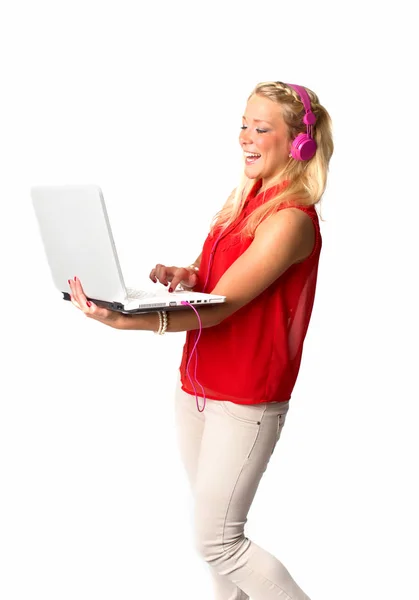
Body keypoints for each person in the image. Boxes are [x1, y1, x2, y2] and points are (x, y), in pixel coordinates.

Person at [68, 81, 333, 600]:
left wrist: (128, 322)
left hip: (245, 398)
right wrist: (188, 273)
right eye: (243, 125)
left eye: (262, 128)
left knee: (219, 542)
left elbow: (224, 308)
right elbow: (219, 282)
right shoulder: (244, 203)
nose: (246, 138)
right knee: (218, 537)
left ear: (299, 143)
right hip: (198, 388)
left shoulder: (289, 220)